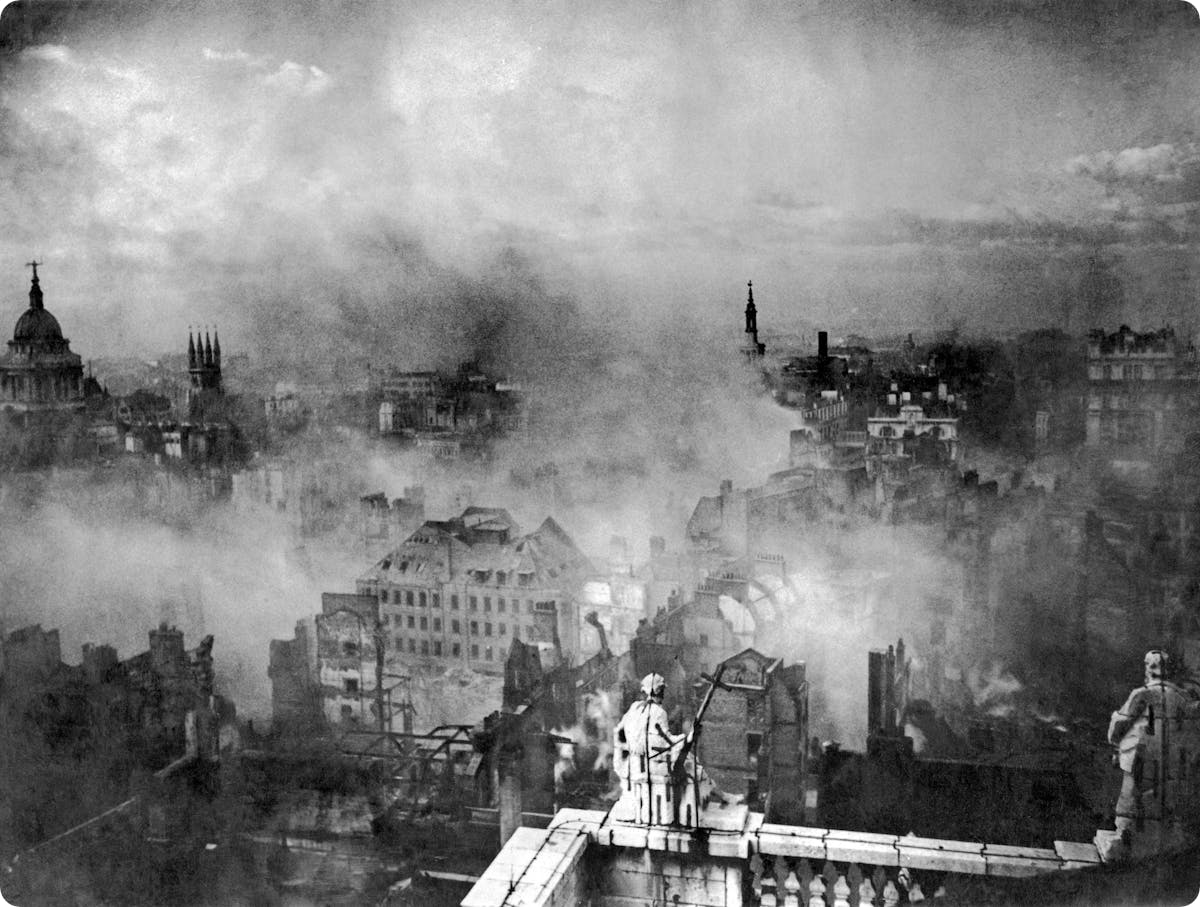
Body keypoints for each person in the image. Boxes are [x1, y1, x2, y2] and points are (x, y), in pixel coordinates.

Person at [1107, 650, 1199, 833]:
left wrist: (1115, 742)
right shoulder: (1183, 697)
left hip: (1141, 754)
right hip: (1173, 757)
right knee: (1164, 799)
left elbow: (1120, 723)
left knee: (1132, 798)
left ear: (1148, 669)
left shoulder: (1142, 694)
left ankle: (1126, 835)